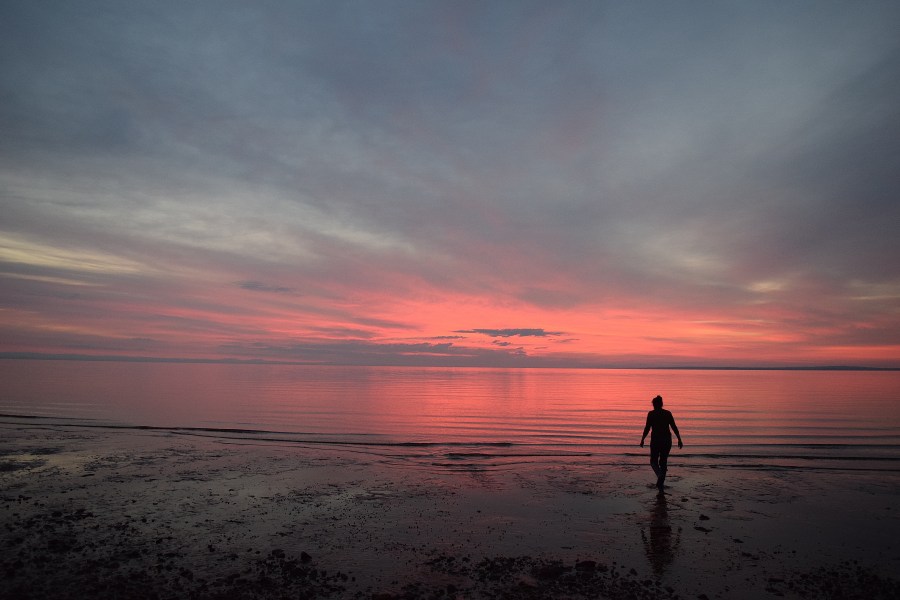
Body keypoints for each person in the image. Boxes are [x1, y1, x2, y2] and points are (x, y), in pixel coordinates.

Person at [640, 395, 683, 492]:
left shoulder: (651, 414)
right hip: (667, 440)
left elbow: (647, 428)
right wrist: (679, 439)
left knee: (653, 461)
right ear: (662, 404)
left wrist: (642, 439)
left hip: (656, 440)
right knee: (663, 461)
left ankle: (659, 475)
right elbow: (674, 427)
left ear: (654, 404)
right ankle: (661, 483)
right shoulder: (667, 413)